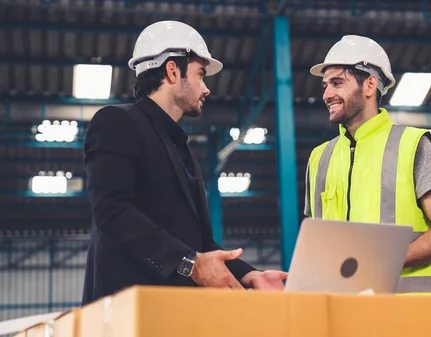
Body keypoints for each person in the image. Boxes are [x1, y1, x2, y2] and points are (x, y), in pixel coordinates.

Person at [81, 20, 286, 305]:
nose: (206, 89)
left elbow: (201, 245)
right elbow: (112, 211)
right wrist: (190, 263)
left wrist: (251, 276)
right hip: (126, 312)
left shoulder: (181, 150)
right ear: (172, 70)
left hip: (176, 314)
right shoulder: (116, 122)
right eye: (201, 74)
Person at [303, 35, 431, 296]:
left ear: (369, 85)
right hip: (345, 315)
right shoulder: (319, 158)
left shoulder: (412, 144)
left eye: (337, 83)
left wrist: (384, 261)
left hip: (410, 316)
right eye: (325, 85)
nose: (327, 94)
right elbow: (316, 244)